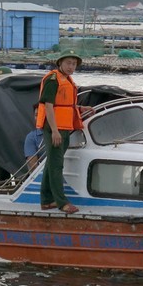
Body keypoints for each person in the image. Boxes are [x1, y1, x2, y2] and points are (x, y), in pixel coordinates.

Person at [36, 48, 93, 213]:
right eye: (68, 63)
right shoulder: (53, 79)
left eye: (74, 64)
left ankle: (46, 200)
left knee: (51, 163)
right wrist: (54, 130)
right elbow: (48, 105)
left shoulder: (67, 80)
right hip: (55, 128)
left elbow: (66, 104)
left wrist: (81, 108)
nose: (71, 66)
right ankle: (61, 202)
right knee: (56, 165)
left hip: (65, 127)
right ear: (60, 63)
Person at [23, 103, 44, 172]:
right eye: (36, 115)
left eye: (40, 114)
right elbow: (33, 165)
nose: (38, 117)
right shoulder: (31, 137)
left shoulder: (58, 134)